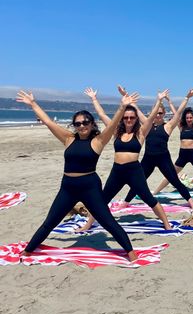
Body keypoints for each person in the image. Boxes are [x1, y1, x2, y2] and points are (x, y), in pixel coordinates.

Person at [16, 90, 137, 262]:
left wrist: (122, 106)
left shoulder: (98, 141)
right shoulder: (68, 139)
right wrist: (33, 104)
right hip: (68, 187)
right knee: (50, 222)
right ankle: (27, 252)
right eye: (77, 123)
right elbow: (49, 122)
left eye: (85, 122)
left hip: (90, 187)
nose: (81, 126)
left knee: (108, 222)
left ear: (91, 123)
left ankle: (131, 254)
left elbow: (112, 126)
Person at [78, 88, 172, 231]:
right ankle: (88, 225)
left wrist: (159, 100)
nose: (129, 120)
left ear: (136, 119)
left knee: (149, 199)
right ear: (122, 118)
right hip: (117, 171)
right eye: (126, 117)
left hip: (134, 171)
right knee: (103, 199)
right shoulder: (116, 132)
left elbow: (152, 117)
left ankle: (167, 224)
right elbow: (102, 114)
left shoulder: (141, 133)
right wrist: (94, 99)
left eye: (132, 117)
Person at [120, 88, 193, 210]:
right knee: (138, 181)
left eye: (160, 113)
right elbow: (137, 110)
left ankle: (191, 202)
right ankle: (126, 202)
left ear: (164, 114)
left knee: (175, 181)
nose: (158, 115)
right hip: (148, 159)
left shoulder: (168, 126)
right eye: (156, 113)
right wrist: (126, 96)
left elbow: (178, 113)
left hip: (163, 158)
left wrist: (187, 98)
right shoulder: (147, 125)